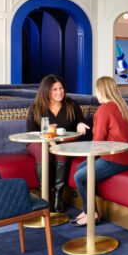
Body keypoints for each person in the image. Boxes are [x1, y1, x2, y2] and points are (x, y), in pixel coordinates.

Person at [71, 76, 128, 227]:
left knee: (79, 177)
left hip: (115, 159)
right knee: (80, 168)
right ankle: (88, 210)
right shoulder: (122, 106)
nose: (96, 94)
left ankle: (91, 213)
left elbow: (98, 141)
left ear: (102, 91)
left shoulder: (104, 109)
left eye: (97, 90)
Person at [26, 75, 90, 213]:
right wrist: (50, 142)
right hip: (39, 142)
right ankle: (45, 197)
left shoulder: (71, 104)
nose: (59, 92)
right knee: (44, 152)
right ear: (46, 91)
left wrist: (80, 124)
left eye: (61, 88)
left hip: (64, 142)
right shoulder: (36, 107)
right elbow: (31, 132)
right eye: (54, 89)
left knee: (61, 152)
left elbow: (81, 121)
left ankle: (58, 197)